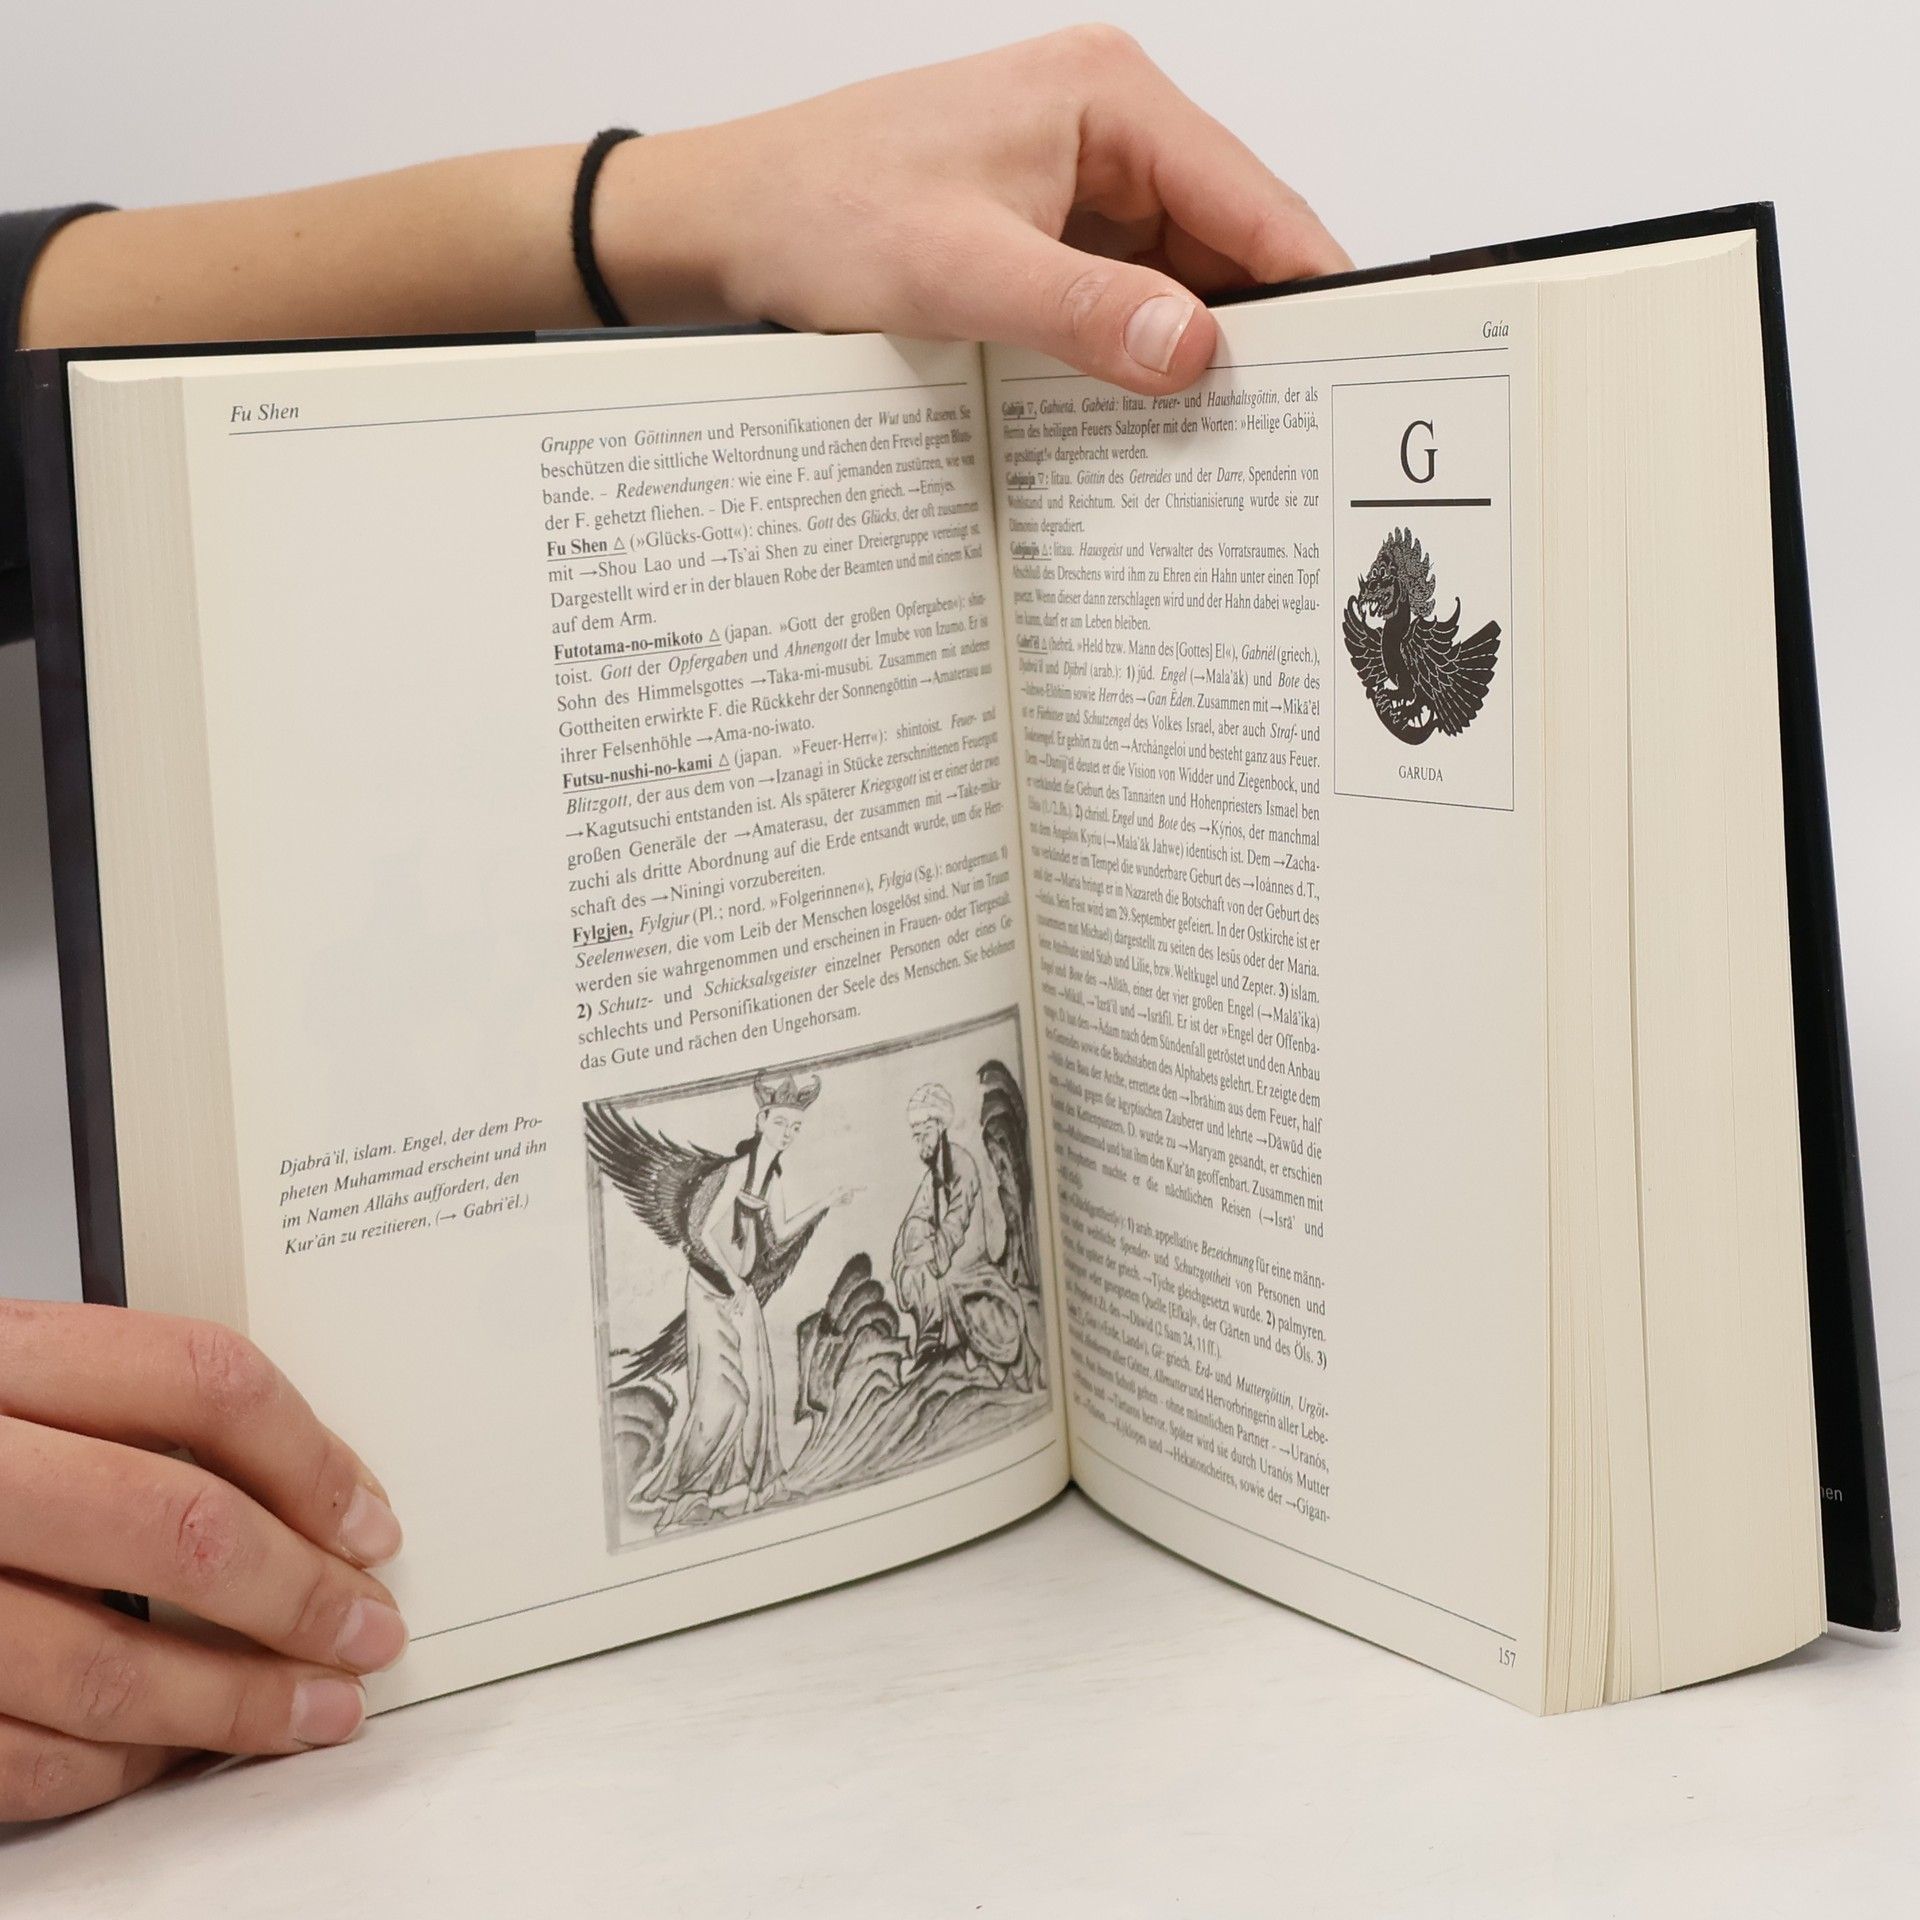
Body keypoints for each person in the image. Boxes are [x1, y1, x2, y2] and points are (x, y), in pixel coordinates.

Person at [0, 27, 1348, 1821]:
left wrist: (668, 207)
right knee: (740, 1400)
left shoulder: (796, 1210)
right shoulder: (725, 1225)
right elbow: (741, 1241)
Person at [631, 1071, 834, 1529]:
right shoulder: (738, 1169)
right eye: (781, 1122)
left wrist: (825, 1202)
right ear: (762, 1120)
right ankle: (688, 1492)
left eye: (795, 1126)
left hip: (742, 1296)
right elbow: (705, 1232)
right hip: (710, 1290)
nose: (788, 1132)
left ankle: (756, 1487)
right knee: (724, 1398)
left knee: (758, 1393)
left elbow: (780, 1231)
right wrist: (735, 1282)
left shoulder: (771, 1176)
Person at [891, 1083, 1039, 1391]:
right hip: (945, 1270)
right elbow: (914, 1219)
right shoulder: (931, 1178)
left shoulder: (962, 1165)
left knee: (990, 1322)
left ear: (941, 1128)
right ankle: (930, 1339)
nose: (921, 1144)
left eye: (926, 1134)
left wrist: (931, 1250)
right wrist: (911, 1248)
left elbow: (957, 1221)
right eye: (916, 1137)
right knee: (912, 1245)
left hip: (972, 1271)